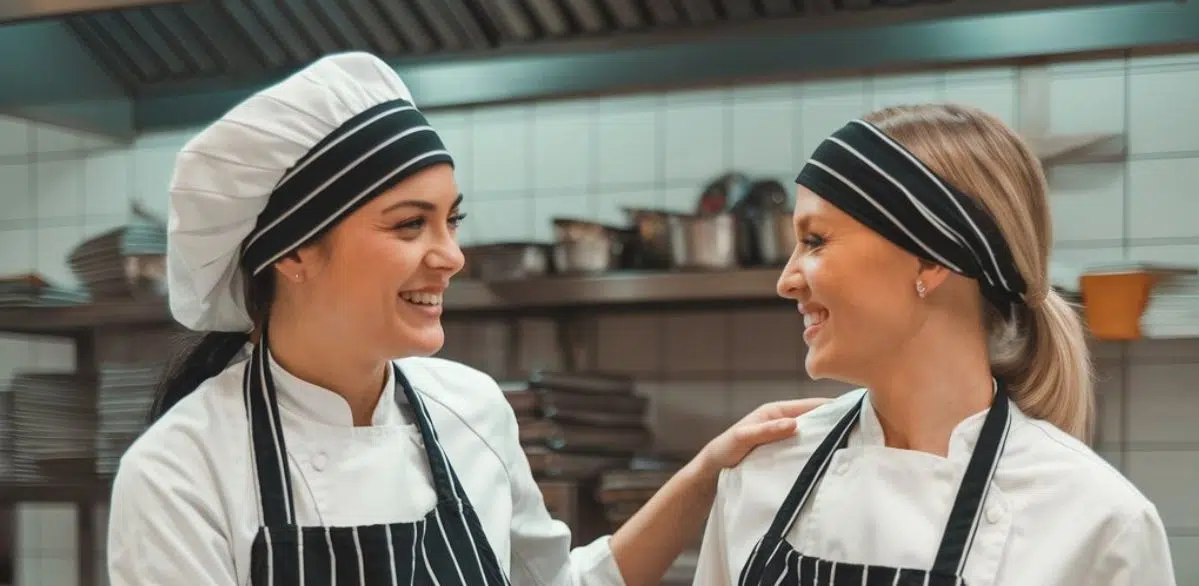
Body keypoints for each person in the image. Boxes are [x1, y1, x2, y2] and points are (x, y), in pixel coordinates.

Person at [103, 51, 828, 586]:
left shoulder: (468, 410)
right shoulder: (181, 470)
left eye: (452, 221)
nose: (450, 256)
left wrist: (707, 470)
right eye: (408, 225)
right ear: (293, 253)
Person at [692, 104, 1178, 586]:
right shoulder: (762, 473)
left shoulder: (1097, 525)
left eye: (816, 240)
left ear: (930, 260)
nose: (786, 281)